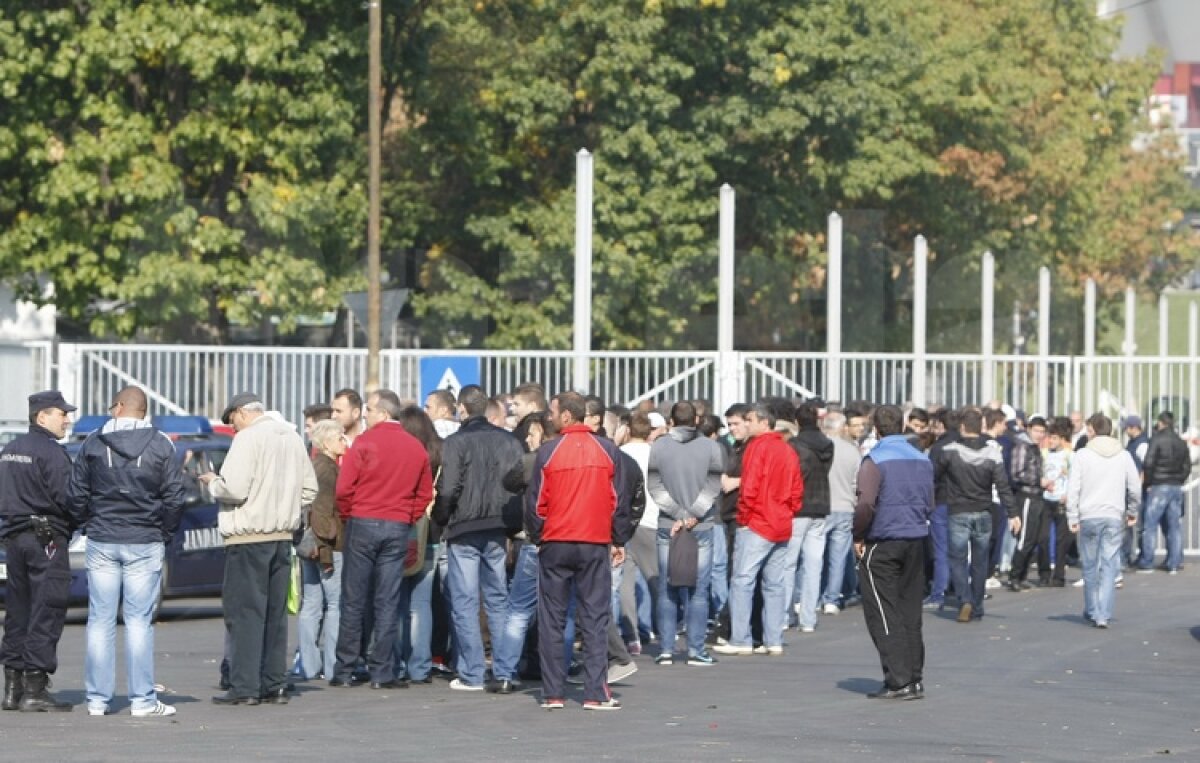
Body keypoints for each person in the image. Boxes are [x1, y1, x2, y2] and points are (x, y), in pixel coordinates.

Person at [66, 386, 185, 717]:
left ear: (118, 407)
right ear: (143, 410)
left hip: (103, 538)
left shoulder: (93, 442)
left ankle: (97, 700)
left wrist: (86, 524)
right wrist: (164, 533)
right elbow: (174, 497)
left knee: (100, 620)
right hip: (144, 539)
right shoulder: (161, 444)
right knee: (138, 622)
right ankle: (142, 701)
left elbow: (76, 493)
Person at [203, 392, 318, 706]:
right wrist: (285, 505)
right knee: (275, 614)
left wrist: (212, 481)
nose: (233, 428)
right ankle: (273, 684)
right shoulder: (292, 437)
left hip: (248, 536)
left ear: (242, 412)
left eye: (233, 421)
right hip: (282, 536)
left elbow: (234, 488)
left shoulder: (248, 438)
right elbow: (310, 489)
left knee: (245, 613)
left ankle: (245, 687)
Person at [525, 391, 629, 711]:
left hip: (556, 542)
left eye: (553, 412)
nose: (550, 417)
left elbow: (536, 503)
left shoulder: (548, 452)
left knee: (552, 618)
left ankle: (553, 692)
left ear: (567, 416)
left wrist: (539, 537)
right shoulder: (607, 450)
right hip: (593, 542)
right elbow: (618, 500)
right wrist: (618, 539)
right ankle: (595, 692)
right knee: (595, 618)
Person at [331, 390, 433, 689]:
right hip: (397, 525)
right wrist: (407, 516)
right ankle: (382, 671)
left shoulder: (364, 443)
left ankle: (345, 669)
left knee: (354, 599)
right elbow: (424, 493)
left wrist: (350, 515)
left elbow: (343, 489)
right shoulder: (415, 448)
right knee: (387, 601)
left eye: (370, 409)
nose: (366, 414)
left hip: (362, 522)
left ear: (384, 413)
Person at [431, 385, 525, 691]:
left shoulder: (456, 442)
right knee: (498, 598)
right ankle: (504, 669)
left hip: (464, 527)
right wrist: (512, 525)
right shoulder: (508, 441)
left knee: (465, 601)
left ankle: (472, 672)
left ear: (462, 408)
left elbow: (448, 488)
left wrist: (441, 518)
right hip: (497, 526)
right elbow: (517, 486)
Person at [0, 390, 78, 712]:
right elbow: (68, 498)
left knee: (18, 610)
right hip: (46, 539)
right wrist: (78, 521)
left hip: (14, 539)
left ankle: (12, 688)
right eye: (62, 414)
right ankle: (34, 688)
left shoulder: (10, 450)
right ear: (42, 417)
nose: (67, 420)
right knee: (47, 609)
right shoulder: (52, 453)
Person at [853, 404, 934, 701]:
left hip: (884, 539)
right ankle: (913, 677)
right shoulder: (921, 458)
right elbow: (930, 500)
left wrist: (858, 534)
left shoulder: (875, 459)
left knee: (883, 611)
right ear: (901, 426)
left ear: (876, 429)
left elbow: (865, 504)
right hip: (915, 537)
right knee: (910, 611)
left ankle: (898, 679)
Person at [713, 401, 802, 658]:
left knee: (742, 580)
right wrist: (788, 511)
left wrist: (745, 516)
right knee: (774, 583)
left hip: (757, 522)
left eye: (750, 420)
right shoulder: (786, 449)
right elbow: (797, 490)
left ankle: (741, 638)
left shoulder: (757, 447)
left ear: (764, 423)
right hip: (781, 522)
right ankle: (773, 639)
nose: (746, 424)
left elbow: (750, 486)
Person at [646, 401, 725, 666]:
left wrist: (678, 514)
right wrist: (693, 513)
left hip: (668, 524)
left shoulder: (659, 447)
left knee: (667, 587)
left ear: (671, 421)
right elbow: (713, 485)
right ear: (697, 420)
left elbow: (654, 485)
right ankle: (696, 650)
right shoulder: (712, 447)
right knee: (699, 590)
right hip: (701, 525)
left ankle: (666, 649)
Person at [934, 408, 1016, 623]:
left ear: (962, 427)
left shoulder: (949, 451)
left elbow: (934, 478)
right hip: (984, 511)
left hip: (958, 511)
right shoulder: (992, 452)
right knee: (980, 561)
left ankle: (964, 599)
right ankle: (977, 606)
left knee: (958, 559)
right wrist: (1013, 512)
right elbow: (1003, 485)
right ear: (981, 427)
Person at [1068, 414, 1140, 629]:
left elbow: (1073, 488)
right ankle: (1103, 614)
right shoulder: (1124, 455)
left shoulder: (1082, 455)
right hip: (1113, 515)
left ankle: (1092, 608)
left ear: (1092, 430)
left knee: (1090, 565)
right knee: (1109, 566)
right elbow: (1134, 487)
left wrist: (1072, 515)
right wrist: (1132, 510)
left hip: (1089, 514)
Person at [295, 419, 347, 682]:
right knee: (335, 604)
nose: (344, 441)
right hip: (326, 547)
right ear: (327, 442)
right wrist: (326, 547)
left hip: (309, 545)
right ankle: (332, 665)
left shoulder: (314, 465)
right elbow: (322, 514)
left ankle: (309, 666)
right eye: (340, 437)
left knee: (311, 604)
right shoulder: (327, 469)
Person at [395, 406, 443, 684]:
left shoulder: (403, 454)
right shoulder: (439, 454)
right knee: (421, 604)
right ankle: (421, 666)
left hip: (402, 531)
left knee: (399, 601)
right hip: (431, 534)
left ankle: (399, 663)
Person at [783, 402, 832, 634]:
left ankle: (785, 614)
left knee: (788, 564)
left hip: (797, 508)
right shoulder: (828, 444)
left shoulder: (794, 445)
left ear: (797, 421)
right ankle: (808, 618)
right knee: (814, 564)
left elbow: (793, 475)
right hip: (821, 505)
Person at [1137, 411, 1191, 574]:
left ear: (1161, 423)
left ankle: (1147, 562)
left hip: (1159, 485)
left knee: (1150, 525)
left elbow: (1148, 462)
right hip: (1175, 486)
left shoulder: (1157, 439)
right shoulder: (1180, 442)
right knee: (1174, 526)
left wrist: (1149, 482)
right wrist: (1179, 479)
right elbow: (1187, 466)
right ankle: (1174, 563)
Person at [820, 411, 860, 615]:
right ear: (843, 427)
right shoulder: (852, 451)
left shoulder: (818, 448)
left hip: (821, 507)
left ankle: (811, 596)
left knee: (815, 555)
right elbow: (857, 482)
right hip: (845, 506)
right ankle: (832, 599)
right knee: (838, 557)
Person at [1006, 416, 1047, 591]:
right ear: (1029, 429)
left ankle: (1022, 575)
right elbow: (1017, 473)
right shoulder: (1022, 446)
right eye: (1036, 431)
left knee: (1034, 537)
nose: (1039, 434)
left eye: (1042, 431)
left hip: (1037, 496)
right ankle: (1014, 576)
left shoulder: (1034, 447)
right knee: (1025, 538)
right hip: (1026, 496)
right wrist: (1038, 480)